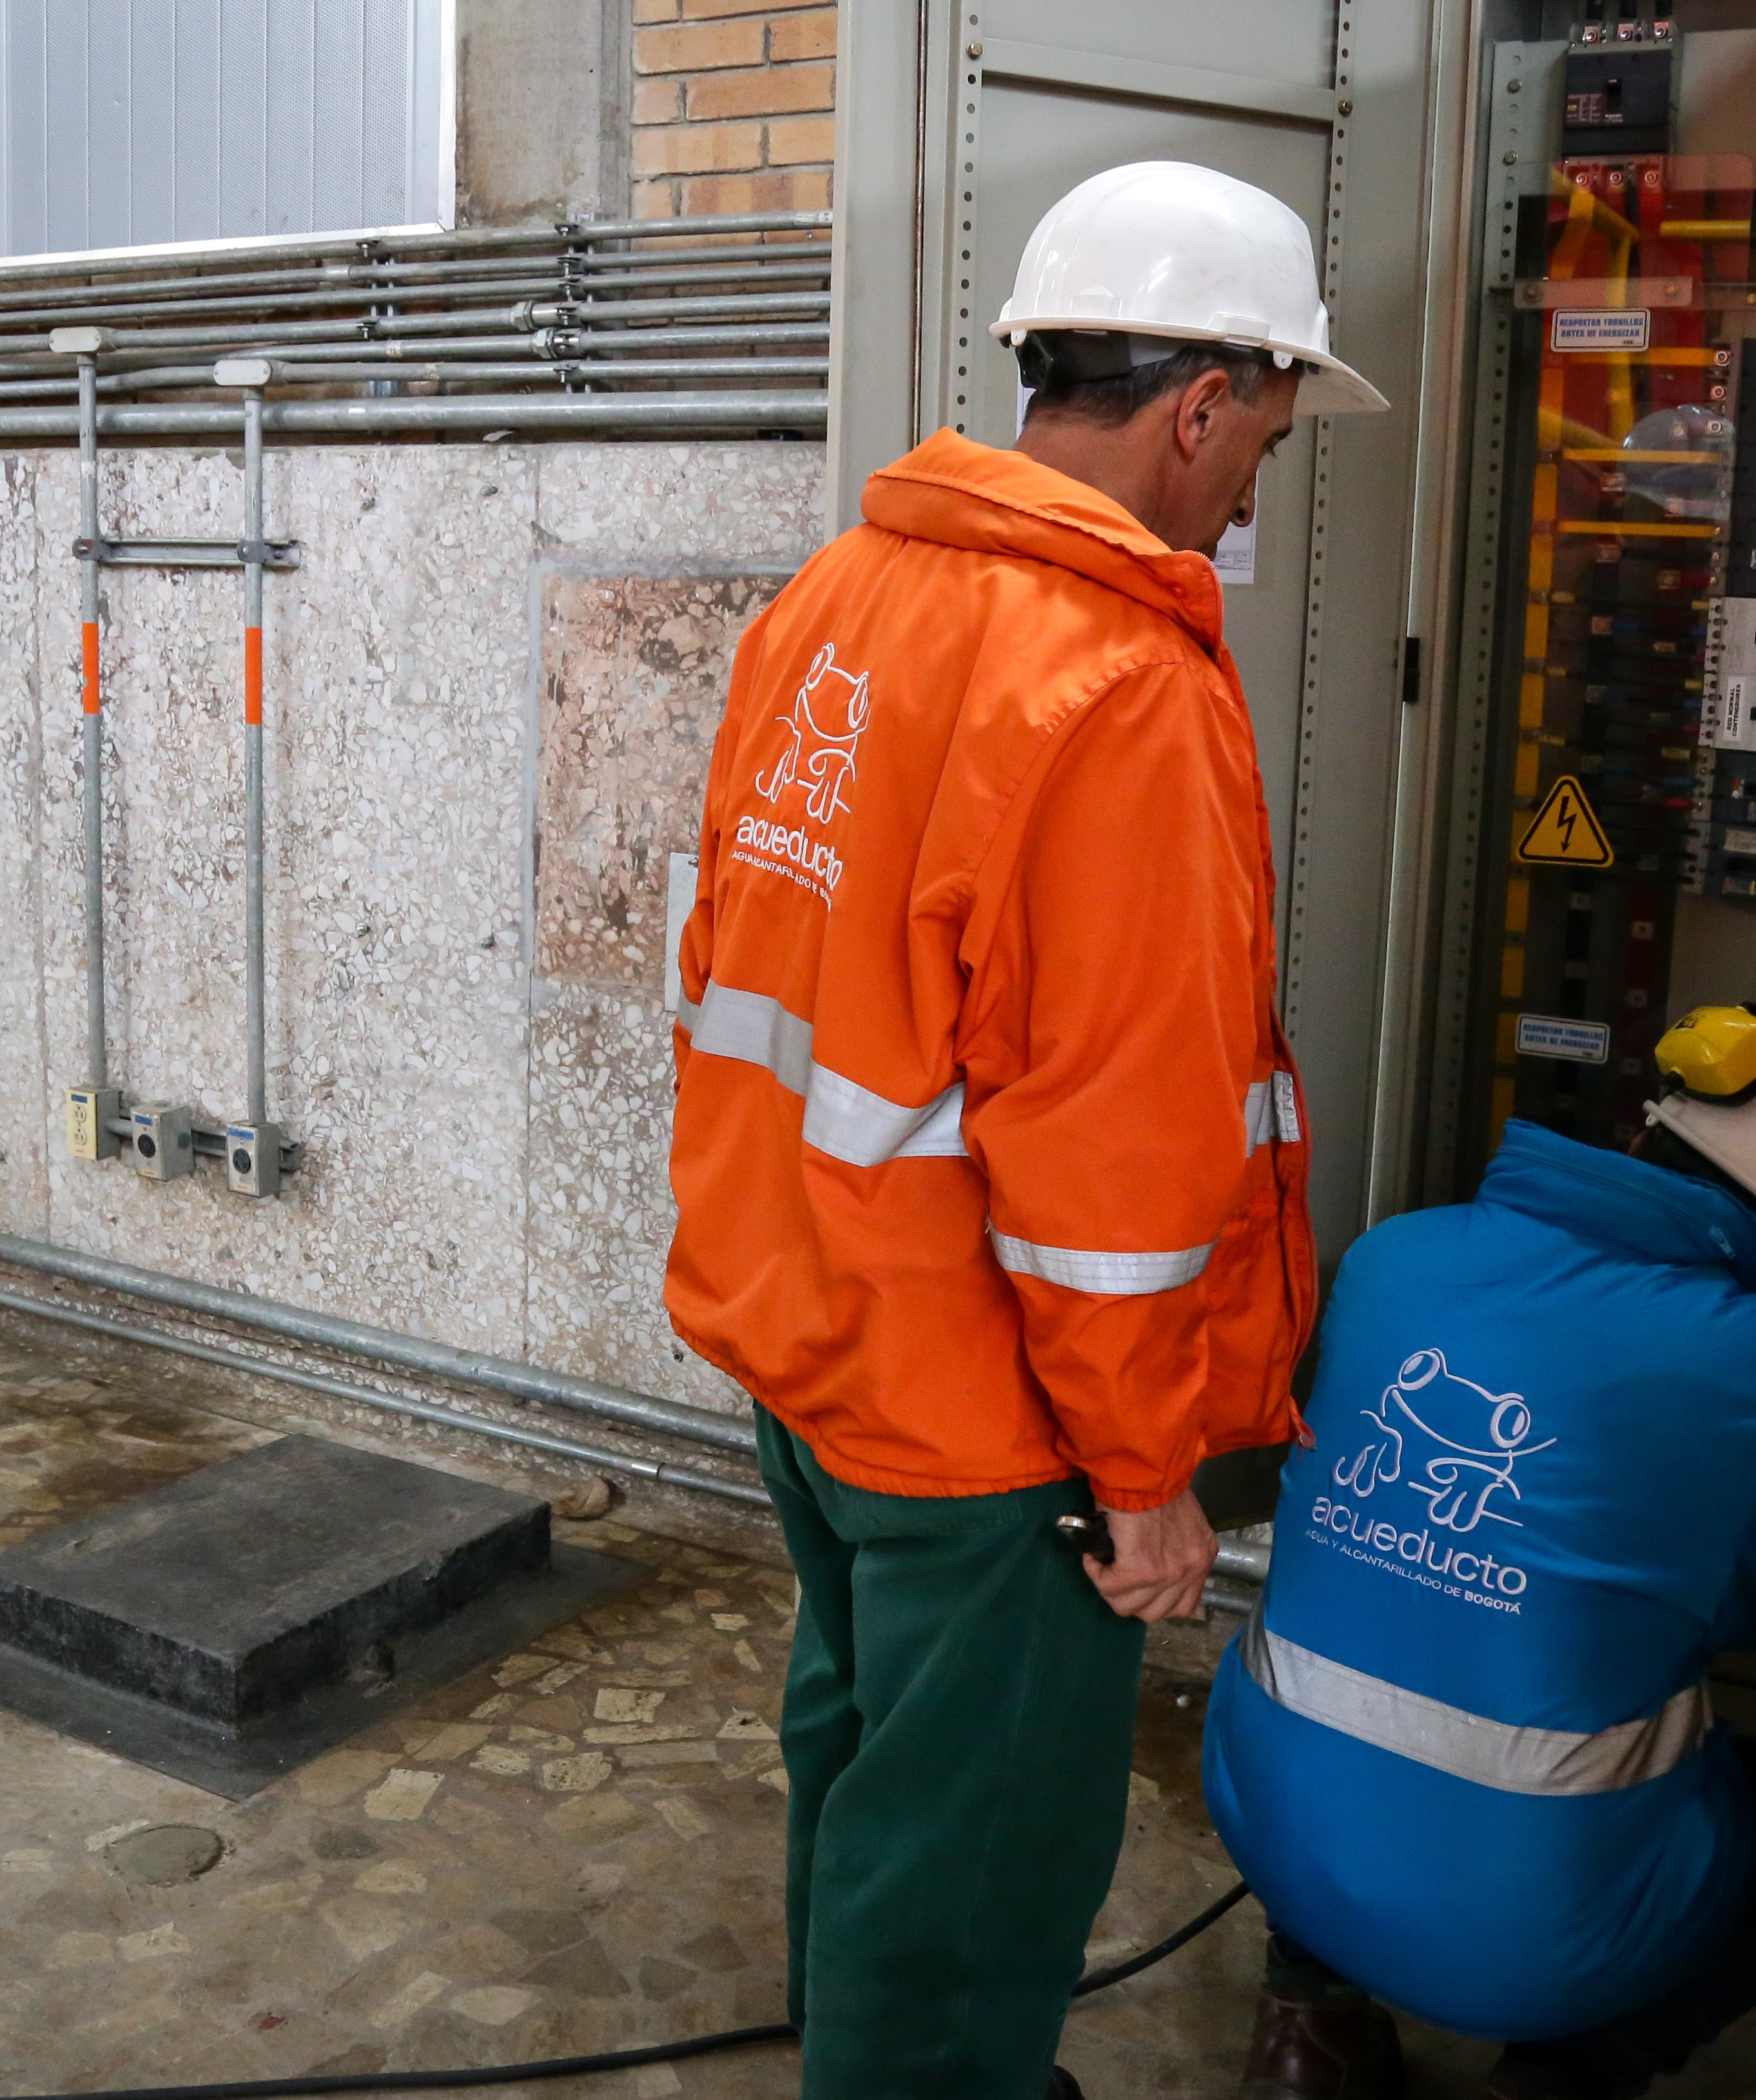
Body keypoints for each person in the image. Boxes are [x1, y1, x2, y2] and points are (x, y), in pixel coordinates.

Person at [662, 161, 1389, 2100]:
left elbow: (748, 974)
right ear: (1200, 405)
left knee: (864, 1754)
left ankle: (882, 2055)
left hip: (816, 1353)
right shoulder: (1114, 685)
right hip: (995, 1428)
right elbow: (1113, 1159)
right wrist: (1140, 1474)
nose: (1252, 489)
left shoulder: (839, 594)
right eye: (1269, 438)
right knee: (979, 1855)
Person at [1205, 1007, 1756, 2100]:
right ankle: (1563, 2080)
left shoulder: (1398, 1252)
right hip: (1529, 1941)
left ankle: (1308, 2036)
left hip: (1264, 1822)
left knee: (1374, 1658)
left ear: (1649, 1137)